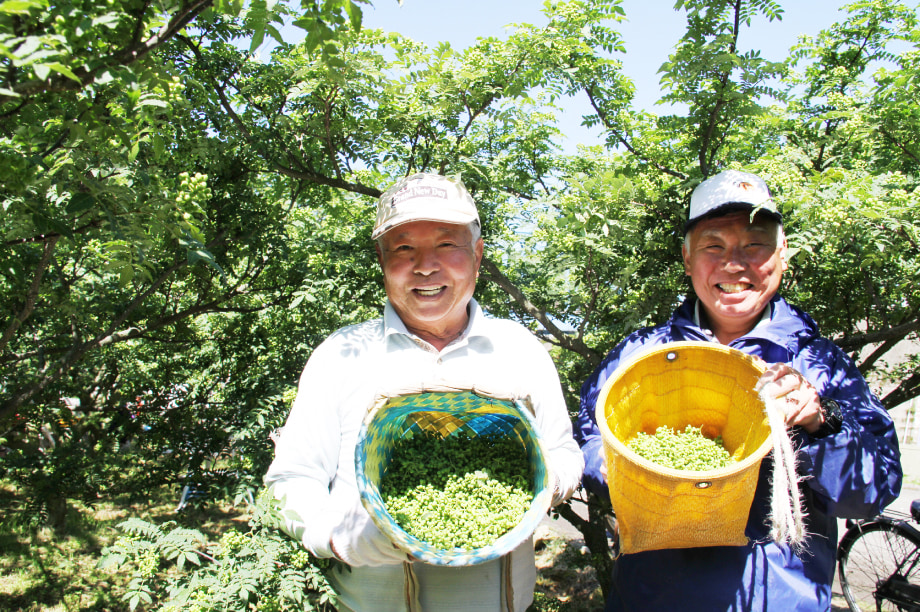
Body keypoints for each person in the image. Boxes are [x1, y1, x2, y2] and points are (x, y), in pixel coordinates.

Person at [576, 169, 903, 611]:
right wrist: (639, 476)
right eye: (714, 245)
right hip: (653, 598)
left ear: (781, 254)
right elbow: (588, 439)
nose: (734, 263)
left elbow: (872, 492)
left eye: (755, 244)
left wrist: (819, 423)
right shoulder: (640, 357)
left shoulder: (820, 365)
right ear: (688, 259)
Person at [265, 172, 584, 612]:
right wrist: (338, 538)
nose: (425, 265)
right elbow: (291, 480)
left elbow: (564, 451)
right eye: (403, 247)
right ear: (382, 260)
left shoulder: (520, 349)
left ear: (477, 254)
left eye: (446, 243)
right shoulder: (341, 355)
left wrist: (548, 484)